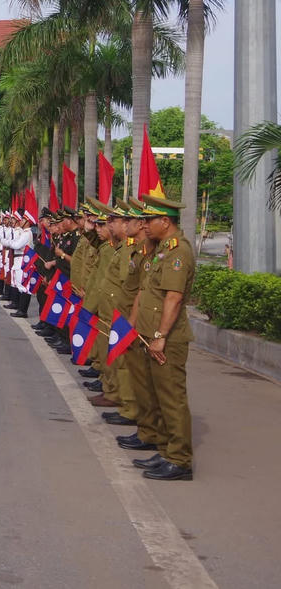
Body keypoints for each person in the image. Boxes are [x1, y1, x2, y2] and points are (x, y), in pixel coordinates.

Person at [118, 193, 196, 481]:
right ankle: (165, 450)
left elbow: (173, 298)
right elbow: (145, 293)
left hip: (168, 339)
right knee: (157, 397)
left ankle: (180, 460)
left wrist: (160, 336)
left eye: (149, 219)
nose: (144, 225)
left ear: (165, 221)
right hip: (150, 334)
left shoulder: (178, 251)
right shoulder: (160, 249)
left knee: (172, 398)